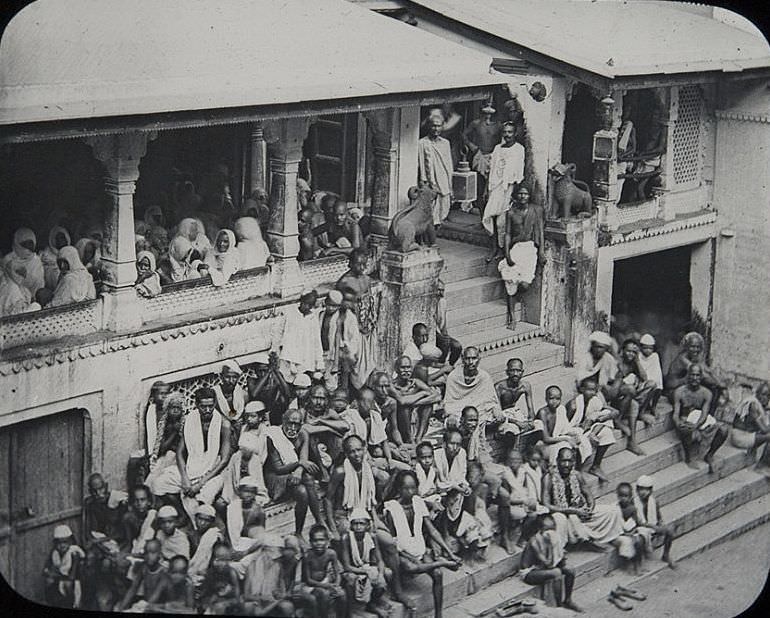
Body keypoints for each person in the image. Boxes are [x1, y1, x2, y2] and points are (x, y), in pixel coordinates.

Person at [383, 470, 462, 618]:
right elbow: (393, 545)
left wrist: (451, 553)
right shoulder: (391, 508)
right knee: (411, 566)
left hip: (419, 550)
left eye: (414, 488)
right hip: (402, 555)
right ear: (399, 489)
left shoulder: (418, 502)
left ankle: (439, 615)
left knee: (437, 575)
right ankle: (441, 563)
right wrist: (409, 556)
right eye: (407, 488)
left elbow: (432, 531)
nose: (411, 491)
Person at [147, 388, 233, 525]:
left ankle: (201, 525)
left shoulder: (224, 424)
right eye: (203, 406)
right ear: (197, 405)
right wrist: (185, 478)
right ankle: (182, 514)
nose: (207, 410)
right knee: (158, 483)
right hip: (191, 466)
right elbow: (180, 453)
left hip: (214, 471)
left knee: (204, 497)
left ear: (215, 404)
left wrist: (200, 483)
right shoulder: (190, 420)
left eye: (211, 406)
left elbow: (224, 460)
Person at [543, 448, 624, 551]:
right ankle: (576, 543)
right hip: (560, 513)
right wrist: (571, 511)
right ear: (557, 460)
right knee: (562, 518)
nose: (567, 464)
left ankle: (610, 538)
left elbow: (588, 495)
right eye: (564, 461)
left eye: (570, 461)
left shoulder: (577, 475)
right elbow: (546, 505)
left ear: (574, 462)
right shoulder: (548, 478)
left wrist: (589, 508)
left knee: (612, 511)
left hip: (579, 510)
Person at [263, 409, 323, 537]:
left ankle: (307, 528)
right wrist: (299, 464)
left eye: (297, 424)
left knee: (306, 482)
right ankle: (315, 524)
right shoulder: (273, 436)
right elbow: (278, 468)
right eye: (290, 423)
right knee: (303, 488)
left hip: (293, 475)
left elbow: (304, 458)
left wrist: (298, 470)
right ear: (283, 421)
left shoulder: (303, 434)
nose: (293, 428)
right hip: (275, 477)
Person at [335, 249, 382, 390]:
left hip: (368, 326)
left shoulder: (366, 279)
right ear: (350, 264)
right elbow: (339, 303)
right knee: (353, 361)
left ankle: (367, 387)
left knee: (369, 360)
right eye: (358, 264)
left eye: (364, 264)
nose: (362, 268)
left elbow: (369, 301)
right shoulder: (344, 282)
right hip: (352, 326)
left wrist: (371, 321)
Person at [498, 186, 544, 328]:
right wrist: (507, 254)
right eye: (520, 194)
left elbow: (540, 232)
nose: (523, 196)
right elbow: (508, 234)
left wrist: (541, 252)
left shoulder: (536, 211)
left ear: (529, 196)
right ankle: (512, 316)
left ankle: (515, 298)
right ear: (516, 196)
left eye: (526, 194)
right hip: (516, 248)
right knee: (511, 283)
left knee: (524, 284)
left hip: (530, 249)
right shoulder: (511, 213)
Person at [672, 364, 729, 472]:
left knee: (724, 430)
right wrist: (678, 422)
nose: (695, 378)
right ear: (688, 376)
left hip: (700, 423)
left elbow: (704, 414)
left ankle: (709, 455)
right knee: (686, 430)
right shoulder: (679, 392)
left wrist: (696, 425)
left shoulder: (706, 393)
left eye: (697, 375)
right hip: (686, 422)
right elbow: (676, 413)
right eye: (692, 375)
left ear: (701, 377)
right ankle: (689, 458)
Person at [519, 513, 582, 612]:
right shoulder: (534, 542)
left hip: (544, 568)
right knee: (556, 572)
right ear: (540, 529)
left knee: (570, 569)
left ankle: (568, 600)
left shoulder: (554, 537)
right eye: (547, 529)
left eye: (553, 528)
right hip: (530, 572)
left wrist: (561, 557)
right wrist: (552, 546)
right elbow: (547, 563)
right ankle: (559, 607)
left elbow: (560, 560)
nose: (551, 532)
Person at [483, 122, 525, 262]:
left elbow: (519, 171)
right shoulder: (497, 149)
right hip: (495, 187)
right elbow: (492, 169)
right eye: (505, 132)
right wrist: (486, 189)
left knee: (503, 220)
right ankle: (494, 247)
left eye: (510, 132)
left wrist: (515, 193)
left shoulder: (519, 149)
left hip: (509, 188)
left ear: (515, 134)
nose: (507, 135)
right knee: (491, 216)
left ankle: (502, 248)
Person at [325, 435, 378, 540]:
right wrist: (333, 528)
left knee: (381, 538)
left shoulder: (367, 470)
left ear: (364, 449)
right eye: (352, 451)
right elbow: (328, 499)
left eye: (359, 450)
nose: (357, 454)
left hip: (362, 511)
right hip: (343, 515)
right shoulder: (340, 472)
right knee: (351, 538)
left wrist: (375, 518)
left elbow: (369, 498)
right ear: (346, 454)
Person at [340, 508, 390, 618]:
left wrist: (380, 574)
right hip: (353, 570)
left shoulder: (371, 537)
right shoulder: (346, 538)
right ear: (351, 526)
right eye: (355, 524)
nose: (358, 527)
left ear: (367, 525)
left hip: (366, 567)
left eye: (361, 524)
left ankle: (372, 602)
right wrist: (366, 572)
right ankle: (352, 611)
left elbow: (379, 560)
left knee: (387, 574)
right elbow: (347, 566)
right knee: (351, 579)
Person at [568, 377, 619, 482]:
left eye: (594, 390)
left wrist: (605, 416)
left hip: (587, 429)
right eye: (588, 390)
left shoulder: (595, 401)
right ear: (582, 389)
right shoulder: (574, 404)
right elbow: (566, 424)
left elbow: (611, 412)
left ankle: (595, 466)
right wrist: (581, 427)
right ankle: (578, 470)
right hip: (573, 430)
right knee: (581, 440)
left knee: (607, 431)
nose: (591, 393)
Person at [536, 385, 593, 467]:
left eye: (558, 399)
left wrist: (574, 435)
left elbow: (566, 429)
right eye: (551, 398)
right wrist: (566, 438)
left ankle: (579, 467)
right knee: (564, 446)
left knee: (581, 437)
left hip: (557, 440)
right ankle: (557, 470)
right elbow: (546, 439)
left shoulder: (561, 409)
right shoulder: (543, 413)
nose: (554, 401)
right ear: (546, 399)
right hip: (543, 446)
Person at [443, 346, 501, 425]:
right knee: (452, 423)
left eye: (474, 358)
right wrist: (451, 414)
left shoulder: (484, 376)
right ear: (462, 359)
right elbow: (449, 402)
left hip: (480, 411)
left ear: (479, 359)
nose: (471, 362)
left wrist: (495, 409)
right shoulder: (454, 376)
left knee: (501, 420)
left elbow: (490, 400)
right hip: (459, 413)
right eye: (467, 358)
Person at [276, 289, 324, 383]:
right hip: (288, 357)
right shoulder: (290, 314)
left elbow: (316, 341)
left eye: (310, 305)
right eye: (305, 303)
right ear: (301, 301)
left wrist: (319, 363)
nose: (306, 307)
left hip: (305, 359)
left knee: (301, 382)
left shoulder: (313, 319)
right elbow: (278, 332)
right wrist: (275, 349)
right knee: (285, 381)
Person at [390, 355, 440, 444]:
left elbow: (437, 396)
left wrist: (415, 403)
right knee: (404, 409)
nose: (406, 370)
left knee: (428, 406)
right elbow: (402, 401)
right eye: (403, 367)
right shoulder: (393, 385)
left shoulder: (415, 382)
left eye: (408, 367)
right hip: (399, 422)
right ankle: (410, 439)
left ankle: (419, 437)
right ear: (397, 369)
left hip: (415, 417)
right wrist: (423, 393)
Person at [500, 448, 544, 547]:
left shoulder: (523, 472)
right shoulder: (505, 475)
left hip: (523, 502)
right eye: (512, 460)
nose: (515, 463)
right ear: (507, 461)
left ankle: (525, 537)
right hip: (512, 505)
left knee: (536, 513)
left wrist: (529, 500)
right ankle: (517, 538)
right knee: (525, 513)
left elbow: (527, 490)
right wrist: (523, 501)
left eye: (518, 460)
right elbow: (506, 499)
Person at [463, 104, 502, 214]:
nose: (487, 116)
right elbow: (464, 135)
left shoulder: (499, 126)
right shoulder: (476, 123)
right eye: (485, 113)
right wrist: (471, 146)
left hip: (493, 157)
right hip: (479, 156)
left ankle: (489, 215)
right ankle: (481, 213)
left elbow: (503, 140)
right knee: (480, 186)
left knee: (491, 187)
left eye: (490, 113)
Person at [665, 331, 725, 402]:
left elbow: (708, 371)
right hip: (673, 389)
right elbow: (703, 376)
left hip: (683, 386)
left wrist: (720, 383)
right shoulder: (683, 359)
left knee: (713, 389)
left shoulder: (695, 357)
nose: (695, 350)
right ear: (687, 347)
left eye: (698, 347)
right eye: (692, 347)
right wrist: (719, 385)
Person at [418, 110, 454, 226]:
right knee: (431, 213)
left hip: (444, 181)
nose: (436, 128)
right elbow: (421, 165)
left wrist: (449, 184)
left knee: (443, 209)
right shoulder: (422, 143)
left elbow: (449, 165)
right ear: (429, 126)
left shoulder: (446, 143)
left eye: (438, 126)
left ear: (442, 127)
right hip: (430, 183)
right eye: (433, 125)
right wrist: (425, 182)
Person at [302, 525, 347, 617]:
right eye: (315, 540)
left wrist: (337, 584)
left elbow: (337, 572)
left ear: (327, 541)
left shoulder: (331, 553)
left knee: (342, 594)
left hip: (325, 582)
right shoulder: (307, 556)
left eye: (321, 540)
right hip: (311, 586)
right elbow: (308, 580)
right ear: (310, 542)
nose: (318, 543)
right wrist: (325, 586)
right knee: (324, 594)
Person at [319, 289, 360, 392]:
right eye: (329, 305)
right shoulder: (320, 315)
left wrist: (347, 346)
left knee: (334, 384)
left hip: (336, 356)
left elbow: (354, 337)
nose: (331, 308)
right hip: (321, 354)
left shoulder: (346, 317)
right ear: (325, 303)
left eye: (334, 306)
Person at [634, 475, 676, 568]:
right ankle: (638, 564)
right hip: (639, 529)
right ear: (637, 490)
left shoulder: (653, 501)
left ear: (651, 490)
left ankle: (666, 555)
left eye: (646, 489)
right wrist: (653, 527)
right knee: (640, 539)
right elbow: (638, 522)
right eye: (641, 489)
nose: (643, 492)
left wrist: (661, 525)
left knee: (670, 530)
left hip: (652, 527)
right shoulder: (634, 503)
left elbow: (659, 517)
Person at [116, 539, 167, 612]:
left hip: (158, 608)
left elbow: (159, 598)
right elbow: (133, 589)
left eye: (152, 553)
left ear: (160, 554)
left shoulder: (163, 573)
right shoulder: (144, 567)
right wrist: (122, 608)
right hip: (146, 605)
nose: (149, 556)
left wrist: (145, 607)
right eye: (146, 553)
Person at [43, 524, 85, 609]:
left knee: (68, 585)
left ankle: (72, 603)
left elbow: (73, 575)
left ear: (70, 542)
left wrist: (63, 579)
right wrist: (49, 573)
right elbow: (46, 567)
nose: (62, 545)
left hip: (74, 578)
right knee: (49, 581)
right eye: (59, 543)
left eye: (65, 542)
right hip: (60, 576)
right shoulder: (55, 553)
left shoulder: (73, 553)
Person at [732, 382, 770, 471]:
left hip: (749, 434)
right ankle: (762, 465)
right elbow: (764, 429)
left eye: (768, 396)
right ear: (757, 393)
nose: (766, 398)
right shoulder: (752, 404)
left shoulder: (759, 404)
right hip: (739, 437)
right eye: (763, 394)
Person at [226, 476, 268, 551]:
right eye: (246, 491)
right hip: (235, 542)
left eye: (252, 492)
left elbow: (261, 533)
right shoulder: (233, 508)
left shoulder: (258, 511)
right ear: (239, 492)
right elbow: (231, 532)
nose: (249, 495)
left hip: (252, 543)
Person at [84, 472, 128, 544]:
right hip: (102, 540)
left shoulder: (118, 501)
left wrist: (101, 540)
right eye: (94, 491)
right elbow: (91, 530)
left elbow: (122, 533)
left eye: (101, 489)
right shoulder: (91, 505)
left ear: (106, 486)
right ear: (90, 491)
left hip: (120, 541)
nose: (98, 493)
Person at [614, 482, 647, 574]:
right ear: (618, 496)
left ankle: (637, 564)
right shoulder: (615, 508)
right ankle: (627, 564)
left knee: (639, 541)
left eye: (626, 496)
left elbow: (635, 523)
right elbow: (615, 524)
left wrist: (631, 532)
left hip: (631, 531)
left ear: (631, 496)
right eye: (621, 496)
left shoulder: (632, 509)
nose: (624, 499)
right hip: (619, 533)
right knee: (626, 542)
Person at [200, 543, 242, 615]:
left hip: (228, 606)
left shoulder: (232, 573)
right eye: (217, 558)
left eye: (224, 559)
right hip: (212, 605)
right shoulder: (210, 573)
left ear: (229, 560)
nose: (221, 563)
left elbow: (238, 599)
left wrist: (225, 603)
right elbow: (205, 594)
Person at [188, 504, 223, 587]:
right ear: (195, 518)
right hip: (191, 571)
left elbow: (216, 561)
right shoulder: (190, 535)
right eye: (200, 519)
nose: (202, 523)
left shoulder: (214, 536)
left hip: (208, 572)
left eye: (207, 520)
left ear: (212, 522)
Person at [3, 227, 44, 297]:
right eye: (25, 244)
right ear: (17, 243)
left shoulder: (36, 260)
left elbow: (38, 283)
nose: (28, 248)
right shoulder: (8, 259)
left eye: (30, 244)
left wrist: (26, 275)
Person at [121, 484, 158, 556]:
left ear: (149, 501)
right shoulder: (129, 518)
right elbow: (129, 542)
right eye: (136, 500)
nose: (139, 503)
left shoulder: (153, 516)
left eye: (143, 500)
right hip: (136, 549)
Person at [435, 278, 462, 366]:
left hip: (442, 333)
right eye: (438, 290)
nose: (441, 293)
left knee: (457, 346)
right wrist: (441, 335)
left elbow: (443, 322)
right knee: (445, 342)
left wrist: (444, 334)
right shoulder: (430, 303)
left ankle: (450, 365)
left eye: (442, 290)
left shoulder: (443, 302)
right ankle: (441, 365)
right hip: (434, 334)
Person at [434, 428, 470, 495]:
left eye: (458, 444)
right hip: (439, 491)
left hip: (454, 489)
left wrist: (465, 486)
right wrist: (456, 487)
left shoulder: (462, 452)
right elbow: (440, 481)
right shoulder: (436, 454)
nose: (455, 447)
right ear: (444, 444)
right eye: (452, 443)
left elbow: (462, 475)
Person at [213, 359, 247, 424]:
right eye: (227, 377)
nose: (231, 381)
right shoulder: (215, 394)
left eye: (234, 377)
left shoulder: (243, 394)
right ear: (221, 377)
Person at [41, 225, 72, 291]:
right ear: (53, 240)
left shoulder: (70, 252)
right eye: (58, 238)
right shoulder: (47, 256)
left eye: (63, 238)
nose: (62, 241)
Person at [638, 333, 664, 413]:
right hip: (641, 381)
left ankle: (653, 406)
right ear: (641, 347)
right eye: (645, 348)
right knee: (651, 385)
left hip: (652, 381)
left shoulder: (655, 356)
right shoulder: (638, 356)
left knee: (657, 385)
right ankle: (642, 408)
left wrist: (657, 384)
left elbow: (657, 372)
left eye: (650, 348)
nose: (648, 350)